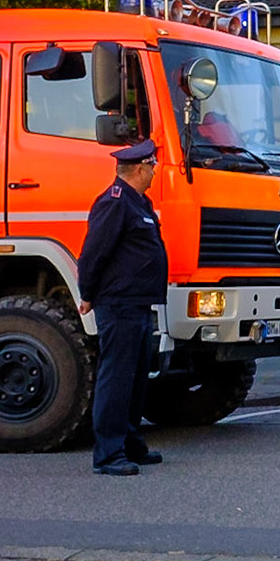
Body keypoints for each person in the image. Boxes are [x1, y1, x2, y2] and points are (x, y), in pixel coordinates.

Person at [76, 138, 170, 476]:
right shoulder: (114, 202)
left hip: (138, 303)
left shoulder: (138, 202)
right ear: (141, 168)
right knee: (116, 378)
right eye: (153, 167)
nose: (155, 171)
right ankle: (108, 454)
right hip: (118, 303)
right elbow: (94, 252)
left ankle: (130, 443)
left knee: (134, 379)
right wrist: (87, 292)